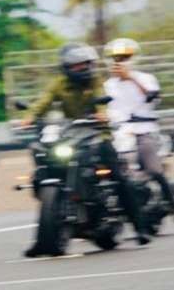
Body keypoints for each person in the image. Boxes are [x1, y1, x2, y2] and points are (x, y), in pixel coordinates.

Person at [21, 43, 151, 256]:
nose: (83, 69)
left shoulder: (95, 81)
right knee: (43, 170)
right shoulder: (59, 84)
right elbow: (43, 101)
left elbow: (101, 99)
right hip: (71, 133)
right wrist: (30, 117)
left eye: (86, 64)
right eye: (78, 66)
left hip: (98, 132)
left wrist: (101, 113)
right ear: (67, 67)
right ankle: (43, 240)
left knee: (119, 176)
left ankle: (140, 227)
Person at [104, 37, 173, 210]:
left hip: (144, 131)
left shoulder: (146, 78)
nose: (120, 61)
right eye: (117, 58)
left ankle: (171, 201)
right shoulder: (107, 85)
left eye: (125, 57)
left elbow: (153, 97)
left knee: (155, 170)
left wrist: (131, 79)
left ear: (133, 58)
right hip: (118, 133)